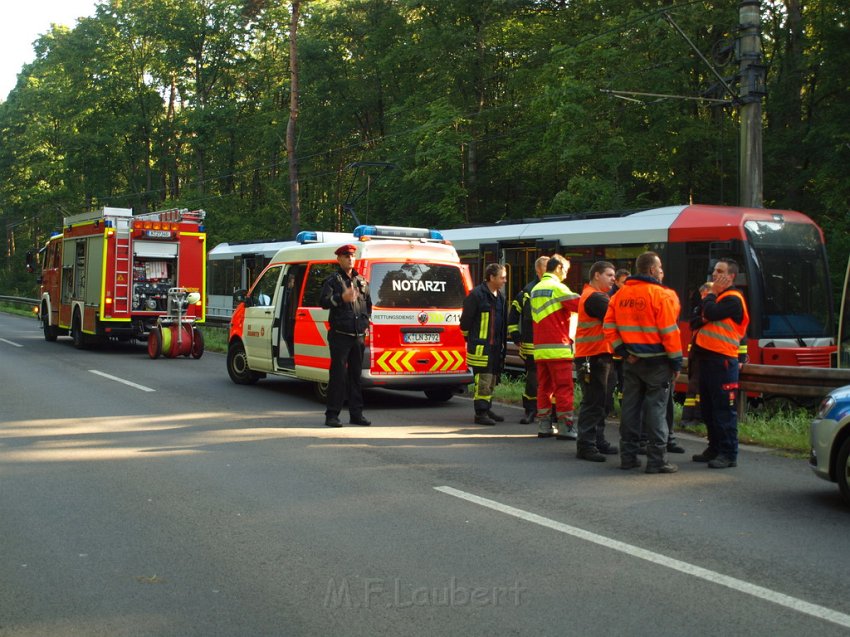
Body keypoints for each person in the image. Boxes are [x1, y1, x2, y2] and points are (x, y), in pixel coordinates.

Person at [603, 251, 682, 473]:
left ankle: (628, 458)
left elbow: (608, 327)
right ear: (651, 270)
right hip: (658, 363)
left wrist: (624, 352)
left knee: (630, 409)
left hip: (632, 362)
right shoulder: (662, 295)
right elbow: (670, 333)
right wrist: (676, 363)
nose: (662, 271)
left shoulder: (619, 295)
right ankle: (657, 461)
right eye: (660, 267)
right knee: (656, 411)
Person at [691, 258, 750, 469]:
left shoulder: (733, 299)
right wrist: (707, 308)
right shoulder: (717, 297)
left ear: (731, 276)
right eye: (714, 271)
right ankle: (714, 448)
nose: (714, 275)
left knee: (724, 410)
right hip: (707, 360)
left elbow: (710, 313)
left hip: (723, 361)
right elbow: (695, 318)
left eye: (720, 271)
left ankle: (728, 453)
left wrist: (710, 296)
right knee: (708, 409)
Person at [319, 244, 373, 427]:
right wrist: (341, 298)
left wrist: (366, 324)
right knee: (338, 376)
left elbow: (369, 305)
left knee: (355, 377)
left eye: (352, 255)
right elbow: (323, 302)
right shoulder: (333, 281)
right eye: (346, 256)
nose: (350, 258)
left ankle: (356, 415)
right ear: (339, 259)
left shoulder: (362, 281)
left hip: (358, 335)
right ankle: (332, 415)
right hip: (340, 335)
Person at [530, 254, 581, 439]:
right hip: (558, 348)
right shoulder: (557, 287)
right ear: (558, 267)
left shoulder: (536, 289)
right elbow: (580, 304)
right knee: (564, 388)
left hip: (540, 350)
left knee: (544, 387)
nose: (566, 275)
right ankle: (566, 427)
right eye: (566, 270)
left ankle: (544, 425)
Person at [574, 261, 619, 461]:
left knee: (603, 400)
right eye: (609, 275)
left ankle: (597, 440)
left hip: (600, 355)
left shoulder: (598, 296)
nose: (613, 279)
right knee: (594, 401)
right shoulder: (595, 298)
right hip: (592, 357)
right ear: (597, 275)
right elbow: (617, 316)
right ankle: (586, 445)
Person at [460, 263, 508, 425]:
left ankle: (487, 408)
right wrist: (472, 341)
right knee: (483, 380)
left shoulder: (500, 297)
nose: (505, 280)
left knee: (492, 380)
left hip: (495, 348)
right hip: (482, 348)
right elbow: (465, 323)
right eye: (502, 277)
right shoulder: (476, 295)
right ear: (491, 277)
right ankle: (480, 413)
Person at [507, 256, 550, 424]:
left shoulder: (556, 289)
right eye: (548, 268)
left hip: (552, 343)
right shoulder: (527, 291)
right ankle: (530, 410)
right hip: (531, 344)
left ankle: (550, 412)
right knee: (533, 379)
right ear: (539, 270)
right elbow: (513, 315)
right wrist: (516, 335)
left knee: (551, 379)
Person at [680, 282, 712, 427]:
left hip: (707, 354)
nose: (704, 296)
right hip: (697, 354)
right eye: (704, 294)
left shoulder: (715, 308)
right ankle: (688, 416)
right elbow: (693, 323)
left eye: (707, 293)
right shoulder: (700, 308)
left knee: (699, 387)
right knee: (693, 387)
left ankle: (698, 417)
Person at [606, 268, 631, 416]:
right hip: (612, 348)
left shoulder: (625, 296)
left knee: (624, 382)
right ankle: (609, 409)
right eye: (623, 283)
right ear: (616, 282)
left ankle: (622, 408)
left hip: (622, 348)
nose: (626, 285)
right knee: (611, 382)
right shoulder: (611, 298)